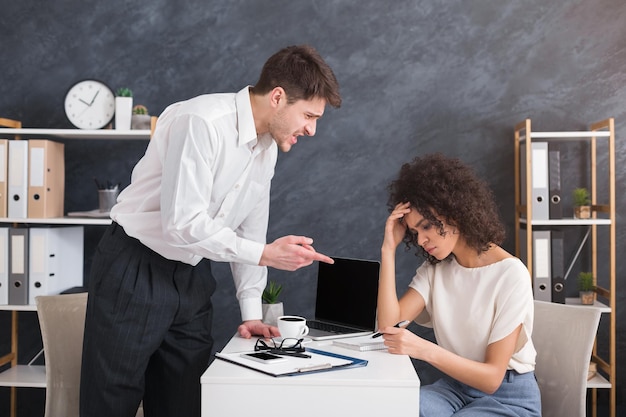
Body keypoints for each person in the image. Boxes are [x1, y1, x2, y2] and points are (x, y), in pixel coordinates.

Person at [80, 45, 342, 417]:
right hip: (134, 268)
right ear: (278, 97)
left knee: (183, 402)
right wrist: (265, 253)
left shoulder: (267, 147)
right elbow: (181, 224)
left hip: (191, 277)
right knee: (111, 402)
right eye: (309, 116)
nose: (312, 129)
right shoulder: (201, 121)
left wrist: (251, 310)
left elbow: (251, 228)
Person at [377, 153, 541, 417]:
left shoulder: (510, 275)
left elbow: (491, 379)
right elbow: (388, 327)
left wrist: (421, 348)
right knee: (396, 408)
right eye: (415, 232)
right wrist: (388, 249)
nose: (421, 240)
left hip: (507, 397)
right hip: (454, 389)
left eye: (427, 226)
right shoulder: (435, 270)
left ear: (454, 211)